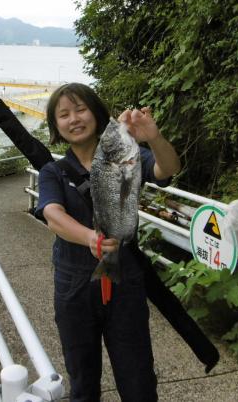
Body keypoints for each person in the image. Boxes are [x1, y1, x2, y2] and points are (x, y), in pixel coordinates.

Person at [36, 83, 181, 401]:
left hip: (125, 283)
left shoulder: (126, 156)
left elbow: (167, 169)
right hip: (74, 286)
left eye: (80, 109)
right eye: (63, 114)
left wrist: (153, 137)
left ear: (97, 114)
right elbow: (52, 215)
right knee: (83, 381)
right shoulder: (53, 171)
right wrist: (90, 237)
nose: (73, 118)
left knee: (138, 381)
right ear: (56, 125)